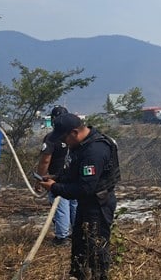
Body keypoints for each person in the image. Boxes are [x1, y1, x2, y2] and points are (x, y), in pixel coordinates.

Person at [39, 113, 120, 280]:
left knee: (96, 247)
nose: (64, 143)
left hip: (98, 205)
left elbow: (85, 188)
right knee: (80, 245)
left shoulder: (94, 151)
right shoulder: (82, 146)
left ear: (74, 133)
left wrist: (55, 187)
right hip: (87, 204)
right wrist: (57, 178)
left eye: (64, 138)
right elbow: (74, 172)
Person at [36, 106, 77, 246]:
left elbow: (45, 160)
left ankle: (62, 237)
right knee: (74, 204)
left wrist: (40, 179)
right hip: (74, 176)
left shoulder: (51, 138)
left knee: (60, 205)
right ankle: (76, 232)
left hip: (56, 177)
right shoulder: (76, 136)